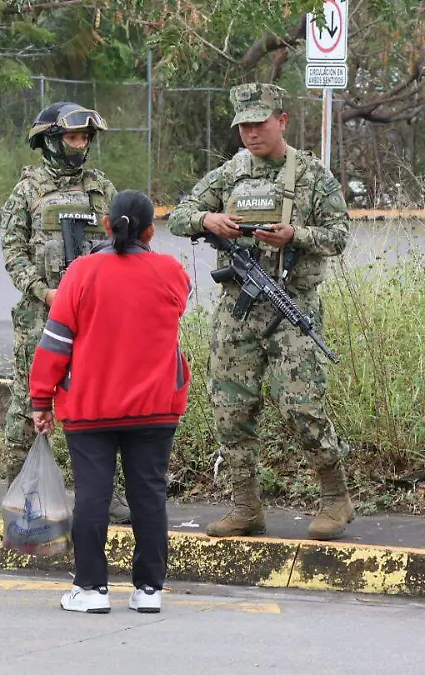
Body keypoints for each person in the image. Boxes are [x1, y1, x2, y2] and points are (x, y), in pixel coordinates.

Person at [168, 83, 354, 541]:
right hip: (237, 308)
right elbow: (179, 215)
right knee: (230, 409)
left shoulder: (311, 175)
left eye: (259, 123)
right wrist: (207, 220)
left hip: (291, 304)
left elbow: (340, 233)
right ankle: (245, 507)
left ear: (282, 121)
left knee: (301, 408)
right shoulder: (229, 174)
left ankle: (335, 497)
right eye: (244, 126)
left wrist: (296, 236)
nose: (251, 133)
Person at [30, 190, 191, 615]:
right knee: (149, 496)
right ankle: (149, 590)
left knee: (92, 496)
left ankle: (90, 589)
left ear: (106, 225)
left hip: (90, 407)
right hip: (156, 406)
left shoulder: (81, 272)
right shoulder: (171, 272)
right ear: (151, 231)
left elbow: (56, 342)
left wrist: (41, 398)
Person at [0, 101, 131, 524]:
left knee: (101, 406)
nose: (81, 144)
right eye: (73, 137)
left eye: (85, 137)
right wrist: (43, 291)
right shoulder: (28, 190)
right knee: (27, 406)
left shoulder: (102, 189)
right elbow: (13, 251)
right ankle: (20, 494)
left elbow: (121, 246)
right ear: (52, 141)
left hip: (94, 319)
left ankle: (107, 496)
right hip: (42, 316)